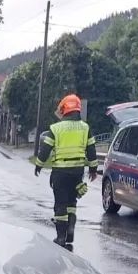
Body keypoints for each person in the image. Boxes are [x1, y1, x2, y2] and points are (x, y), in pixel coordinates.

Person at [34, 94, 98, 252]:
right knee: (72, 202)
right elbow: (91, 149)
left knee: (60, 203)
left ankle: (61, 237)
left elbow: (45, 149)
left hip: (60, 172)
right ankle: (70, 230)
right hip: (77, 171)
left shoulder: (56, 128)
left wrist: (39, 165)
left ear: (64, 110)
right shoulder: (85, 127)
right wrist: (93, 169)